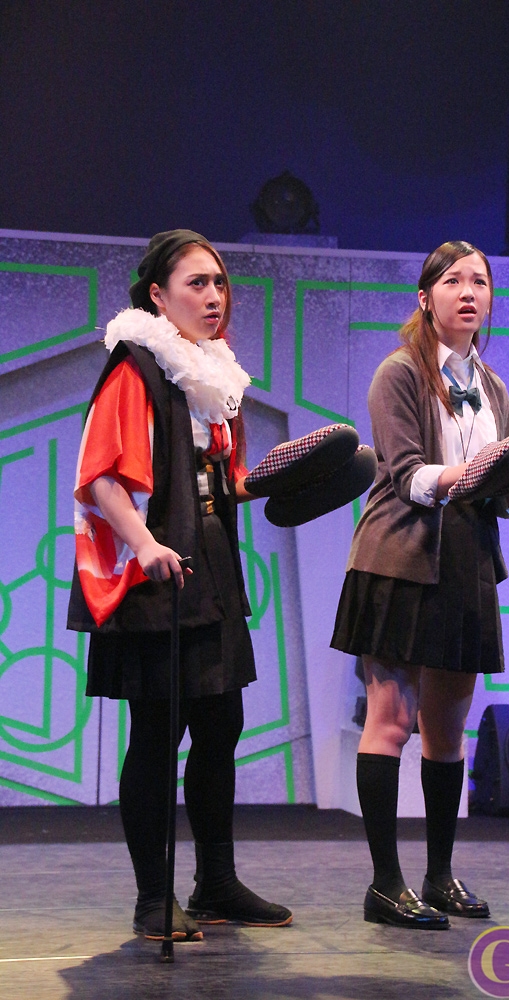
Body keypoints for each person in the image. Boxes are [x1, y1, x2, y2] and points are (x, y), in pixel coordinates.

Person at [67, 230, 292, 941]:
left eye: (220, 283)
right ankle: (151, 898)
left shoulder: (213, 372)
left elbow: (223, 480)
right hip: (156, 566)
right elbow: (101, 475)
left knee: (222, 724)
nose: (214, 295)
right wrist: (143, 546)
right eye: (197, 283)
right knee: (157, 733)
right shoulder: (136, 364)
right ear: (158, 297)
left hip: (210, 556)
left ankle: (216, 883)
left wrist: (293, 478)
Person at [331, 241, 509, 929]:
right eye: (452, 281)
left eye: (479, 281)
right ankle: (385, 885)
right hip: (400, 558)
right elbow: (407, 474)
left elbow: (506, 495)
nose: (468, 292)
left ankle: (439, 876)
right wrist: (476, 475)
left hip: (466, 562)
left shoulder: (493, 386)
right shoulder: (399, 373)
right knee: (390, 720)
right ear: (425, 297)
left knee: (446, 729)